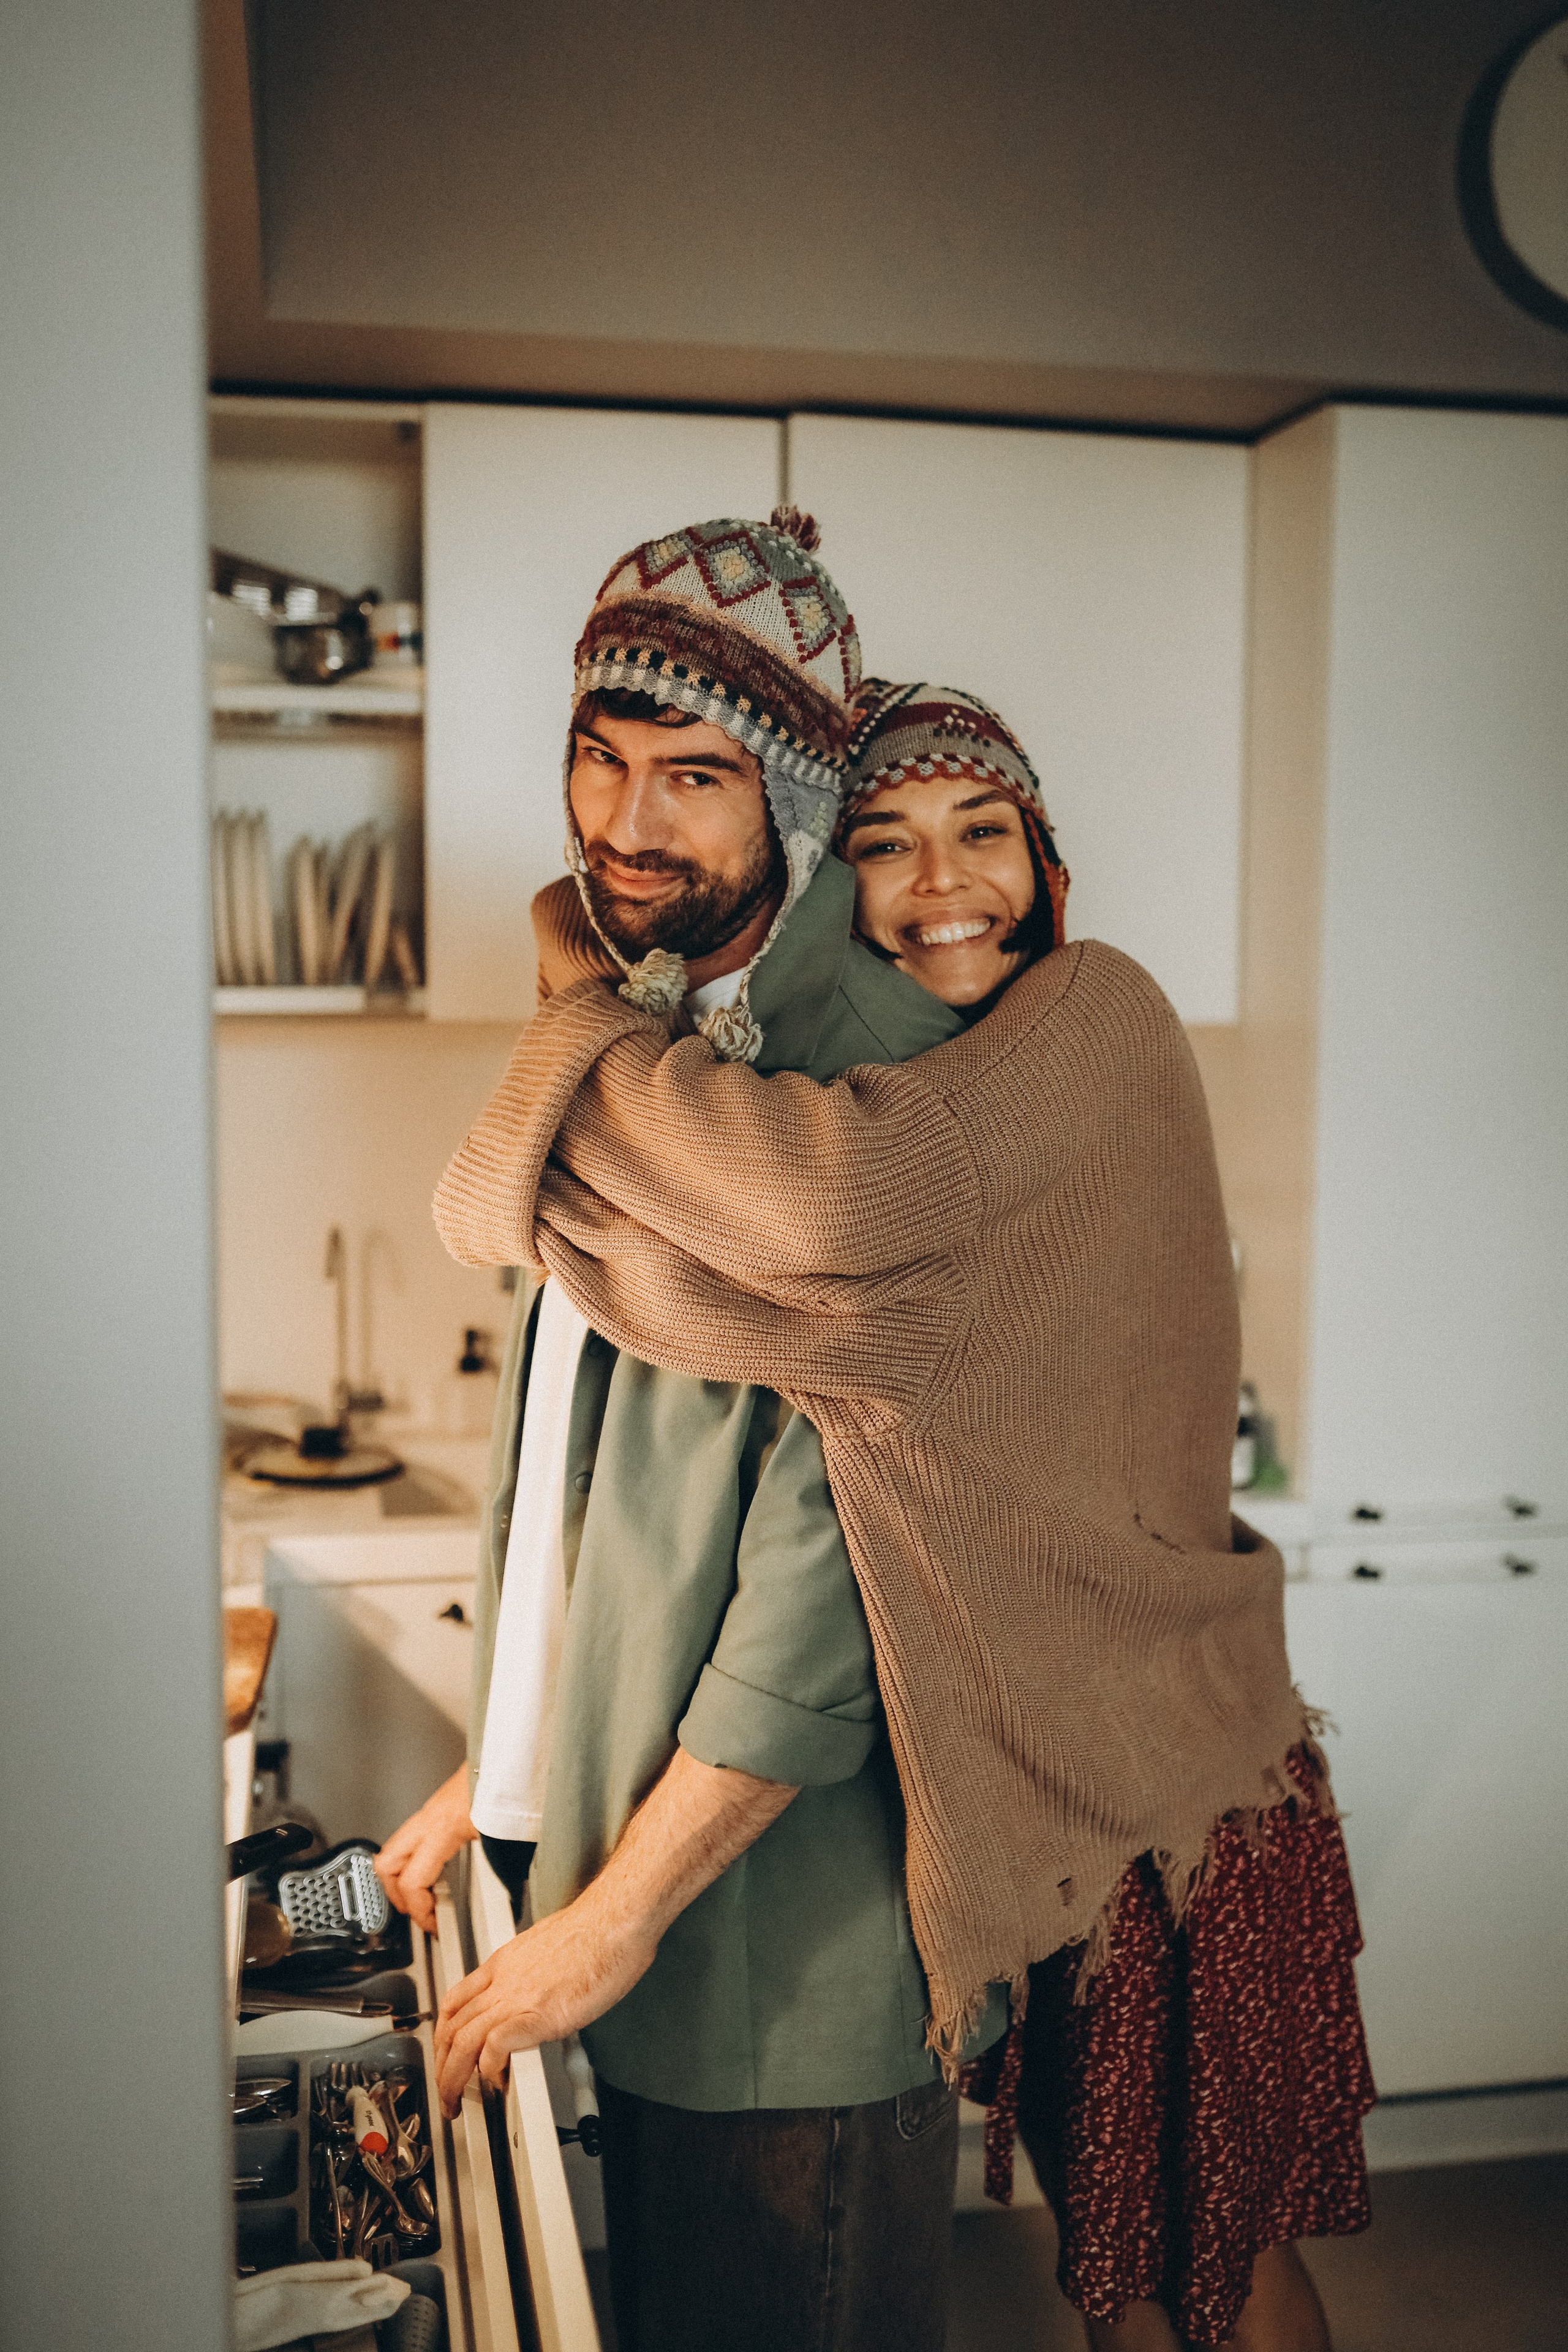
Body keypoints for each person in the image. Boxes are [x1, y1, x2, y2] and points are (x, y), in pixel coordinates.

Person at [433, 677, 1376, 2352]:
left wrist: (582, 1007)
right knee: (1123, 2258)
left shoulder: (1091, 1019)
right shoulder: (925, 1084)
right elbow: (738, 1289)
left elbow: (824, 1218)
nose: (945, 884)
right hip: (1006, 1768)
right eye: (885, 843)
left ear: (1047, 860)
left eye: (983, 831)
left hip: (1150, 1779)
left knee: (1201, 2264)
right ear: (831, 873)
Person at [377, 513, 1007, 2352]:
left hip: (782, 1963)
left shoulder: (874, 1077)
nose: (626, 820)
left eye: (696, 777)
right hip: (636, 1901)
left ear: (792, 798)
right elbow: (594, 1484)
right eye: (602, 757)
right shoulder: (642, 1035)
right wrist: (505, 1766)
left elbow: (832, 1600)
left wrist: (615, 1913)